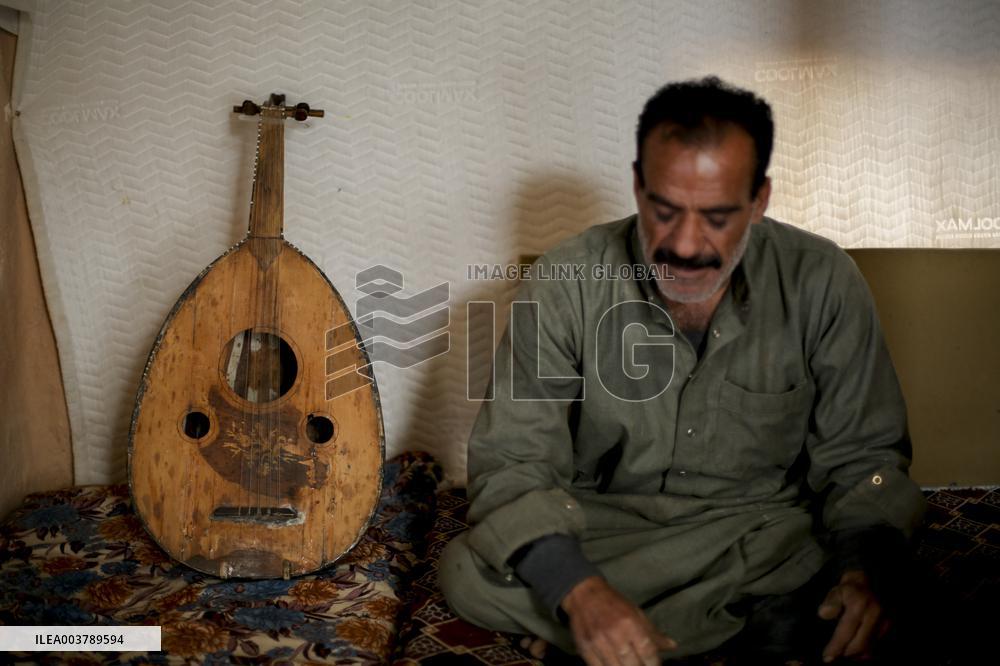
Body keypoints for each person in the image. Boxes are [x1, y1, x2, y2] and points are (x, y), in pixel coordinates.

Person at [439, 76, 927, 665]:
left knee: (896, 574)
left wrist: (861, 571)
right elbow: (513, 462)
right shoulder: (565, 280)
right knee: (469, 570)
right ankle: (741, 632)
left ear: (759, 200)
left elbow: (864, 459)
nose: (687, 245)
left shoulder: (822, 280)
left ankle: (604, 643)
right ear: (639, 189)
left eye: (718, 217)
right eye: (665, 212)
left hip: (763, 533)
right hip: (606, 529)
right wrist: (583, 592)